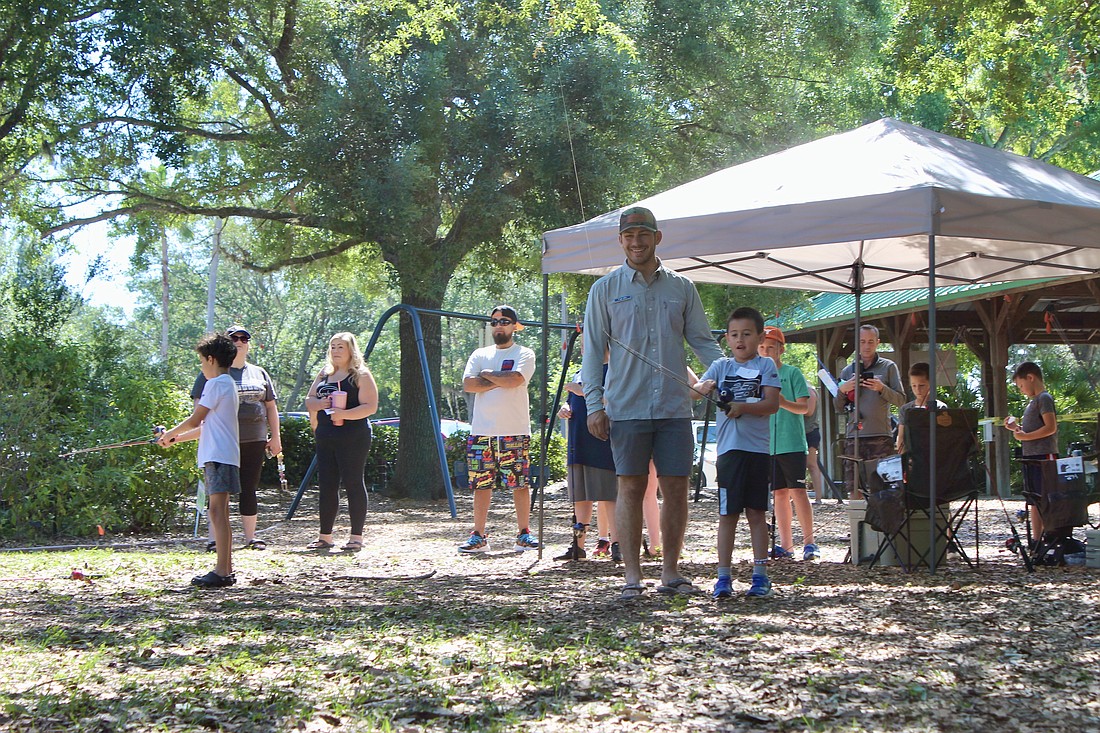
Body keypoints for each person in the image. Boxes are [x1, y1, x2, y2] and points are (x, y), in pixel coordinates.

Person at [582, 206, 724, 599]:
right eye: (629, 235)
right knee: (629, 487)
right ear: (621, 241)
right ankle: (631, 577)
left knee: (676, 487)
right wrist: (595, 404)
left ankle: (671, 573)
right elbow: (593, 352)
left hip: (675, 407)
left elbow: (701, 340)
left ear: (657, 237)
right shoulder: (604, 289)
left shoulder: (681, 286)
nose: (636, 241)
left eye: (643, 234)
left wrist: (732, 373)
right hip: (625, 407)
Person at [696, 307, 781, 598]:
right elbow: (695, 392)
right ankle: (723, 577)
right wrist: (701, 386)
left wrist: (743, 407)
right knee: (727, 514)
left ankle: (760, 575)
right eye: (734, 335)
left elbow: (772, 404)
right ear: (728, 339)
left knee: (756, 513)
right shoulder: (720, 367)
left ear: (759, 336)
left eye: (746, 334)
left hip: (757, 452)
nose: (740, 340)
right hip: (729, 454)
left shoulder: (766, 366)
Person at [190, 325, 282, 552]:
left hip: (254, 439)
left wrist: (275, 437)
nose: (239, 341)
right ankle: (216, 542)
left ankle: (251, 538)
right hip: (222, 442)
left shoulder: (259, 373)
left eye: (244, 338)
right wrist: (180, 436)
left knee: (249, 486)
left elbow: (271, 407)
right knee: (219, 492)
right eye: (234, 338)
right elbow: (198, 416)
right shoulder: (212, 374)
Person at [159, 333, 240, 588]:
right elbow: (206, 426)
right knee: (220, 512)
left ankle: (222, 570)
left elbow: (196, 419)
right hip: (222, 455)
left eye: (202, 361)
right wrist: (176, 439)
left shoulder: (216, 384)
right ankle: (225, 569)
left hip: (218, 456)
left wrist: (170, 433)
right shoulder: (227, 385)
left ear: (211, 358)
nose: (201, 367)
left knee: (217, 512)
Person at [458, 305, 539, 554]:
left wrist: (488, 377)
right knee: (481, 485)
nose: (498, 325)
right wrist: (500, 379)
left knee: (519, 483)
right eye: (494, 322)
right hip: (481, 431)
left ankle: (523, 534)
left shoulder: (524, 353)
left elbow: (516, 380)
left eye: (504, 321)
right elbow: (469, 385)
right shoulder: (479, 354)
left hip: (514, 430)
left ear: (515, 325)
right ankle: (479, 536)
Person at [304, 332, 379, 551]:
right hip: (326, 434)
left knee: (353, 482)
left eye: (341, 347)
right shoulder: (324, 373)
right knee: (327, 484)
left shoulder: (360, 375)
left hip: (353, 435)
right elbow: (309, 400)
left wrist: (344, 414)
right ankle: (324, 536)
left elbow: (370, 407)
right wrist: (320, 403)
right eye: (333, 347)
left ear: (350, 351)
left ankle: (356, 537)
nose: (336, 351)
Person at [555, 333, 619, 563]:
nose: (584, 349)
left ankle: (617, 543)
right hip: (578, 440)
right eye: (581, 345)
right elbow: (573, 400)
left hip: (602, 441)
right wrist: (566, 407)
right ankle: (578, 544)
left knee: (608, 493)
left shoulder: (614, 369)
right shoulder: (580, 372)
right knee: (580, 494)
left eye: (588, 344)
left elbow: (616, 398)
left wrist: (583, 391)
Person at [759, 326, 818, 561]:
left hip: (792, 443)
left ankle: (810, 542)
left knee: (798, 491)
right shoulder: (755, 375)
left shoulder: (793, 373)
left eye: (770, 348)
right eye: (762, 347)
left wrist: (782, 402)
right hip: (767, 445)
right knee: (779, 494)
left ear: (781, 350)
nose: (765, 352)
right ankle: (785, 545)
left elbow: (805, 408)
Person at [833, 324, 905, 499]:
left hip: (880, 436)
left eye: (871, 342)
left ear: (878, 343)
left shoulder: (888, 367)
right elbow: (838, 407)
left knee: (881, 487)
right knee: (853, 487)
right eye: (863, 341)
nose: (866, 346)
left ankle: (878, 524)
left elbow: (901, 400)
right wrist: (843, 390)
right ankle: (857, 524)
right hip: (854, 436)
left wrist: (882, 388)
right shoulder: (848, 371)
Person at [1005, 361, 1058, 541]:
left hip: (1044, 456)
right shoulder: (1033, 402)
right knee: (1034, 500)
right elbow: (1031, 431)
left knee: (1042, 499)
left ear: (1030, 377)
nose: (1021, 390)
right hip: (1031, 457)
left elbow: (1050, 427)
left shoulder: (1044, 398)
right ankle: (1037, 540)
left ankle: (1046, 537)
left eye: (1021, 385)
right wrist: (1016, 429)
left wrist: (1024, 438)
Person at [895, 362, 946, 454]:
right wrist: (904, 459)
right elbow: (901, 437)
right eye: (914, 386)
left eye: (922, 385)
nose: (917, 390)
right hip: (913, 456)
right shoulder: (905, 409)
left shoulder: (940, 407)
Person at [805, 386, 834, 504]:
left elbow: (809, 411)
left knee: (812, 465)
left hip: (810, 432)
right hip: (798, 432)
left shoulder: (809, 391)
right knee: (798, 466)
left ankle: (818, 497)